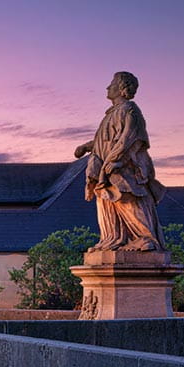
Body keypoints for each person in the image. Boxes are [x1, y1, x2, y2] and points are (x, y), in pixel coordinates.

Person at [74, 72, 165, 252]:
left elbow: (131, 138)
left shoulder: (130, 110)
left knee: (130, 201)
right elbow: (105, 141)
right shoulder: (111, 114)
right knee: (108, 205)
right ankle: (113, 239)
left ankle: (146, 238)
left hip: (124, 168)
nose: (108, 87)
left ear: (123, 89)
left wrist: (116, 160)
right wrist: (87, 146)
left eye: (112, 84)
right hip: (106, 167)